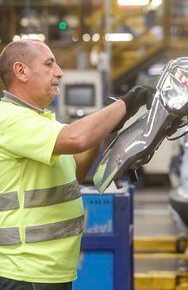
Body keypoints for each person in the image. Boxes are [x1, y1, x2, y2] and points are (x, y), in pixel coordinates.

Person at [0, 39, 152, 290]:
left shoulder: (41, 120)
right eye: (49, 64)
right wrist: (126, 104)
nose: (59, 72)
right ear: (21, 71)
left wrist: (105, 127)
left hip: (48, 270)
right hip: (24, 273)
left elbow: (77, 171)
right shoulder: (8, 118)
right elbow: (76, 138)